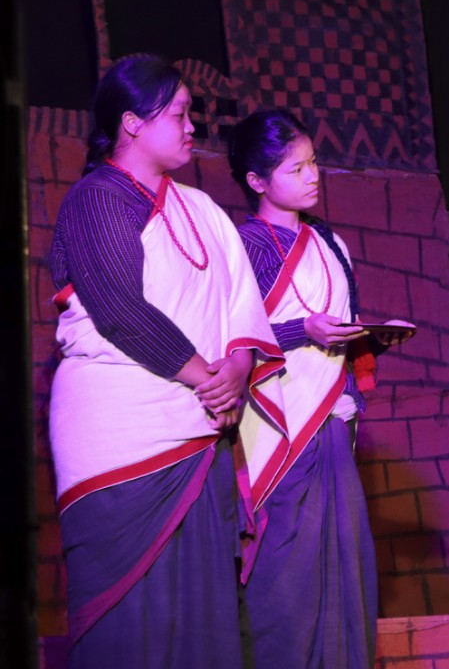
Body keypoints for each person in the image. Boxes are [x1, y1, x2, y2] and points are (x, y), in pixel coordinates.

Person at [47, 54, 280, 668]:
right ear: (131, 123)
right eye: (178, 114)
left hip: (199, 431)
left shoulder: (202, 210)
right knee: (129, 624)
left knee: (204, 617)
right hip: (120, 440)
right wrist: (211, 381)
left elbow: (241, 305)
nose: (191, 127)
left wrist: (237, 370)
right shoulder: (95, 200)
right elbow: (120, 311)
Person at [228, 110, 400, 668]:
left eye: (313, 162)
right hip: (277, 428)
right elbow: (234, 338)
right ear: (257, 181)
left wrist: (368, 338)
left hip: (332, 422)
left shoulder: (328, 242)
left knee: (343, 569)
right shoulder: (246, 246)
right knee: (286, 577)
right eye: (296, 168)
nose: (313, 176)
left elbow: (337, 330)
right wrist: (303, 330)